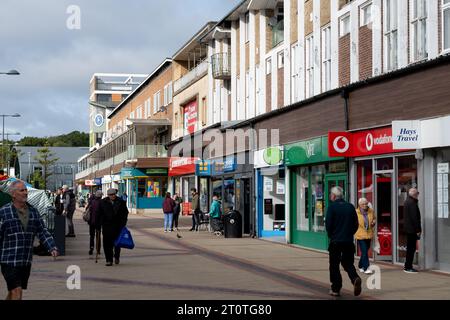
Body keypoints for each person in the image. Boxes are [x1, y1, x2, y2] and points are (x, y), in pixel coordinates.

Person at [0, 180, 58, 300]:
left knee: (13, 292)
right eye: (22, 190)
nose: (25, 193)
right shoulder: (4, 212)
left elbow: (42, 231)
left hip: (25, 260)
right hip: (8, 260)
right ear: (13, 194)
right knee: (17, 291)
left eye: (26, 190)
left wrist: (51, 246)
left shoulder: (33, 212)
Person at [325, 186, 362, 297]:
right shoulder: (350, 207)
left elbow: (328, 225)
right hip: (348, 241)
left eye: (331, 194)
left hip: (336, 241)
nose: (330, 196)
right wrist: (349, 234)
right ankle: (355, 278)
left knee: (334, 265)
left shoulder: (332, 208)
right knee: (347, 263)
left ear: (334, 196)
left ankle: (336, 289)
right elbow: (356, 224)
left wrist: (332, 236)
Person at [96, 189, 129, 266]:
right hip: (107, 226)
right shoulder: (103, 202)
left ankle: (117, 256)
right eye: (111, 195)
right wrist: (98, 225)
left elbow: (125, 213)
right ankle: (109, 260)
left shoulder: (121, 201)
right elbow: (99, 214)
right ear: (108, 195)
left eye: (114, 194)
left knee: (117, 243)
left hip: (118, 226)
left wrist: (123, 223)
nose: (113, 196)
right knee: (107, 244)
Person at [355, 198, 376, 274]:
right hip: (360, 235)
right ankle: (366, 268)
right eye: (363, 204)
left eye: (366, 203)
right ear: (359, 205)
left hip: (369, 234)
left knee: (365, 251)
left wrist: (374, 222)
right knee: (364, 251)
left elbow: (374, 218)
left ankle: (360, 265)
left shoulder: (371, 211)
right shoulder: (356, 212)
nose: (365, 205)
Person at [403, 188, 422, 274]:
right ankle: (408, 267)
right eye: (417, 193)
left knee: (410, 248)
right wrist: (418, 230)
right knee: (411, 248)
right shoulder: (412, 203)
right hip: (412, 230)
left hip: (409, 229)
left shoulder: (407, 201)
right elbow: (415, 218)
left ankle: (407, 266)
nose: (418, 194)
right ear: (414, 194)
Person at [86, 190, 103, 256]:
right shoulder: (102, 202)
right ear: (101, 196)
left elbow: (87, 209)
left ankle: (91, 248)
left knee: (92, 236)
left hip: (91, 222)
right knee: (98, 236)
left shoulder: (91, 202)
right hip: (98, 222)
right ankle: (98, 249)